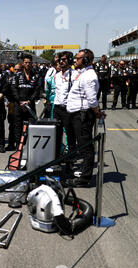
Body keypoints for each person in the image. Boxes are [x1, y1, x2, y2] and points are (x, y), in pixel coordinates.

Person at [65, 49, 105, 188]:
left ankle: (84, 178)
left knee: (85, 147)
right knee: (81, 145)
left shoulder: (89, 76)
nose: (75, 60)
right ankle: (82, 173)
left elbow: (92, 99)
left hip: (82, 115)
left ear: (86, 60)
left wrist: (97, 112)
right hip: (76, 113)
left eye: (78, 58)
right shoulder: (82, 73)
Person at [11, 54, 42, 147]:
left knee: (31, 126)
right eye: (26, 62)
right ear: (23, 63)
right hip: (19, 105)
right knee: (18, 126)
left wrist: (29, 101)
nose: (27, 64)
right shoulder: (17, 75)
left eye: (29, 62)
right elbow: (14, 89)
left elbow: (37, 90)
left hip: (30, 105)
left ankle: (29, 145)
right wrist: (20, 102)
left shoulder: (36, 76)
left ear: (32, 63)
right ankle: (18, 146)